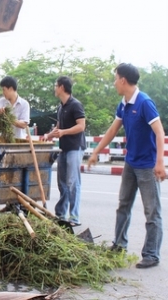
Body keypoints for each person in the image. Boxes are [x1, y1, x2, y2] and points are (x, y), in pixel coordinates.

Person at [88, 63, 166, 269]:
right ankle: (119, 244)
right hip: (131, 163)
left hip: (147, 165)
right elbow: (113, 130)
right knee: (123, 204)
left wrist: (160, 163)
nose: (114, 83)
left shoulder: (144, 103)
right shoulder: (123, 104)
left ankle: (151, 254)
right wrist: (96, 152)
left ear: (123, 80)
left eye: (115, 79)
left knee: (152, 211)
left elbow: (159, 132)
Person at [46, 76, 86, 227]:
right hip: (63, 148)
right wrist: (49, 136)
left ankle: (74, 216)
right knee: (62, 182)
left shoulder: (75, 105)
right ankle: (61, 214)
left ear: (62, 87)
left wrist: (63, 132)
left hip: (75, 148)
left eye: (56, 85)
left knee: (72, 182)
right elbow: (58, 126)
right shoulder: (61, 107)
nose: (54, 88)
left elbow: (81, 126)